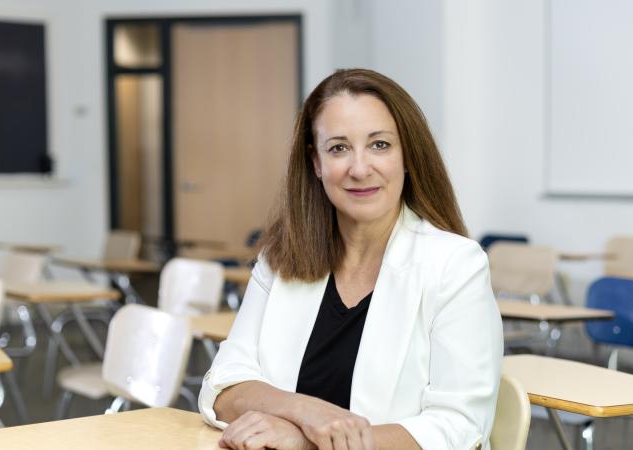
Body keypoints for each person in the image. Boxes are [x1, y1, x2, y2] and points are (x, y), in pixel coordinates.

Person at [199, 68, 503, 450]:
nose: (360, 169)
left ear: (407, 154)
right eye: (338, 148)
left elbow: (459, 426)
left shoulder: (456, 265)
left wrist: (310, 442)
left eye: (379, 145)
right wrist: (308, 413)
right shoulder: (282, 257)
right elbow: (223, 385)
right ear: (316, 163)